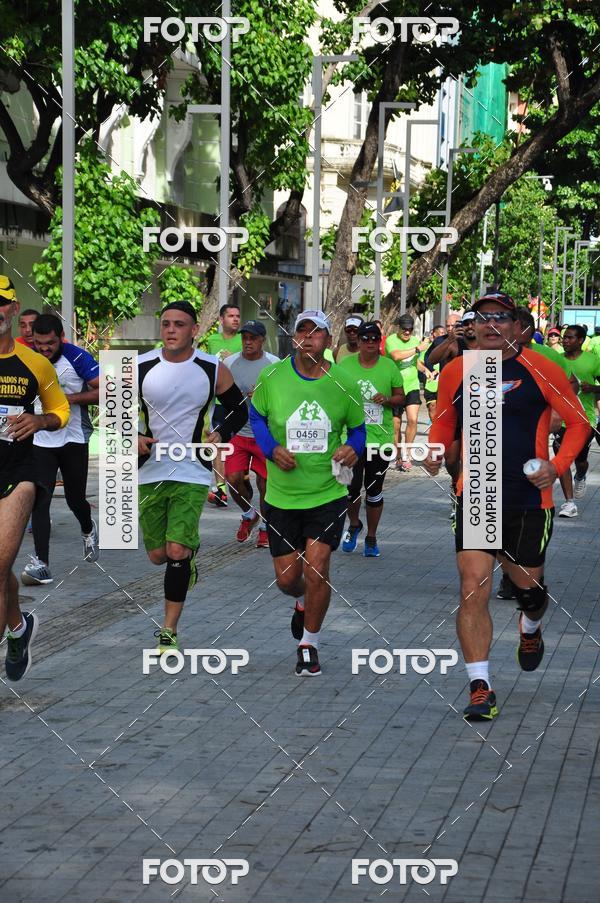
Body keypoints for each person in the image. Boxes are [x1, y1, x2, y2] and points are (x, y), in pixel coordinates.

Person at [424, 291, 589, 722]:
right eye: (483, 317)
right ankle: (481, 686)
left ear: (518, 325)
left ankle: (530, 625)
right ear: (471, 326)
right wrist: (435, 450)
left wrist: (556, 467)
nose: (491, 324)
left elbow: (578, 423)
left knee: (527, 593)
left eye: (502, 317)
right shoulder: (458, 370)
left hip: (529, 497)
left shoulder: (542, 368)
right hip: (476, 491)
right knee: (472, 587)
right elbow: (443, 419)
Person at [250, 309, 366, 676]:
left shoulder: (343, 382)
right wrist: (270, 449)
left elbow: (358, 428)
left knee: (318, 570)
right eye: (302, 330)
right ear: (294, 338)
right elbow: (256, 417)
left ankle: (309, 645)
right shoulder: (272, 376)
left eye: (317, 332)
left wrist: (353, 448)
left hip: (327, 492)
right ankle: (301, 603)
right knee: (287, 580)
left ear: (328, 341)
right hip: (282, 496)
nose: (309, 337)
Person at [137, 301, 247, 653]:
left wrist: (222, 433)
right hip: (148, 471)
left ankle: (168, 632)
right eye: (166, 323)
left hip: (192, 469)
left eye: (179, 324)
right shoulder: (139, 366)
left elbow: (239, 409)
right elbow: (115, 416)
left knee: (176, 549)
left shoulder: (212, 368)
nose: (171, 330)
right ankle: (184, 563)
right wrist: (132, 438)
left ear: (194, 330)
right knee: (157, 555)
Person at [0, 283, 69, 680]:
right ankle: (18, 628)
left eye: (0, 304)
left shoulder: (35, 363)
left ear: (13, 309)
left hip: (20, 475)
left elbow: (59, 409)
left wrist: (38, 420)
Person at [20, 315, 100, 585]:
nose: (44, 348)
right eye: (39, 343)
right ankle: (41, 563)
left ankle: (88, 529)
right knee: (39, 500)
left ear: (61, 337)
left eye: (50, 343)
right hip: (40, 440)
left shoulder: (77, 357)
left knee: (74, 499)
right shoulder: (27, 359)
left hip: (73, 439)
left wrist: (68, 400)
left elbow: (104, 391)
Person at [339, 321, 404, 556]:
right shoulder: (345, 366)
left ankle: (372, 538)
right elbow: (335, 396)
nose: (369, 343)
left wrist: (387, 399)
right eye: (365, 338)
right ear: (358, 341)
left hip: (380, 439)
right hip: (352, 439)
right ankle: (354, 524)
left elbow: (401, 397)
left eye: (374, 339)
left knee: (374, 490)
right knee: (351, 489)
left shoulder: (389, 367)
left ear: (380, 342)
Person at [224, 320, 279, 548]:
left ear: (262, 340)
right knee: (233, 480)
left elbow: (283, 398)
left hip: (263, 432)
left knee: (265, 484)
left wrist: (262, 394)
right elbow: (219, 392)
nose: (248, 342)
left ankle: (266, 526)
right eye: (245, 337)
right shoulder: (229, 362)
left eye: (253, 338)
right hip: (237, 431)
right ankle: (249, 514)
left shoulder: (274, 364)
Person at [552, 324, 600, 517]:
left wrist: (594, 389)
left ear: (580, 340)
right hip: (561, 418)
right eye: (564, 337)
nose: (565, 340)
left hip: (585, 419)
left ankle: (580, 474)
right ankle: (569, 503)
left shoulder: (593, 361)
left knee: (579, 460)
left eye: (570, 338)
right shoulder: (556, 360)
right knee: (562, 456)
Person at [206, 303, 243, 507]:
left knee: (237, 443)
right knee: (217, 443)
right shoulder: (212, 341)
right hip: (219, 400)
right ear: (221, 319)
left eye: (238, 315)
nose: (235, 319)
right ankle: (220, 489)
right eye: (231, 316)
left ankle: (242, 479)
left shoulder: (244, 339)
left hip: (241, 401)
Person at [385, 314, 428, 471]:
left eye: (410, 329)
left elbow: (416, 362)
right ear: (399, 328)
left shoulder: (416, 341)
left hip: (412, 385)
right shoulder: (391, 340)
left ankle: (407, 454)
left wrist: (426, 370)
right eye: (405, 329)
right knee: (396, 425)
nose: (407, 333)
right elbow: (397, 356)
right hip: (394, 387)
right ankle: (397, 456)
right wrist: (418, 348)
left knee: (413, 419)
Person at [420, 325, 446, 421]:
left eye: (444, 333)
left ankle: (440, 427)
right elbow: (420, 362)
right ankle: (435, 425)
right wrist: (428, 370)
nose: (444, 335)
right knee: (432, 406)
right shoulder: (427, 348)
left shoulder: (447, 346)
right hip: (430, 382)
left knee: (442, 407)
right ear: (434, 334)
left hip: (443, 382)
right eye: (441, 333)